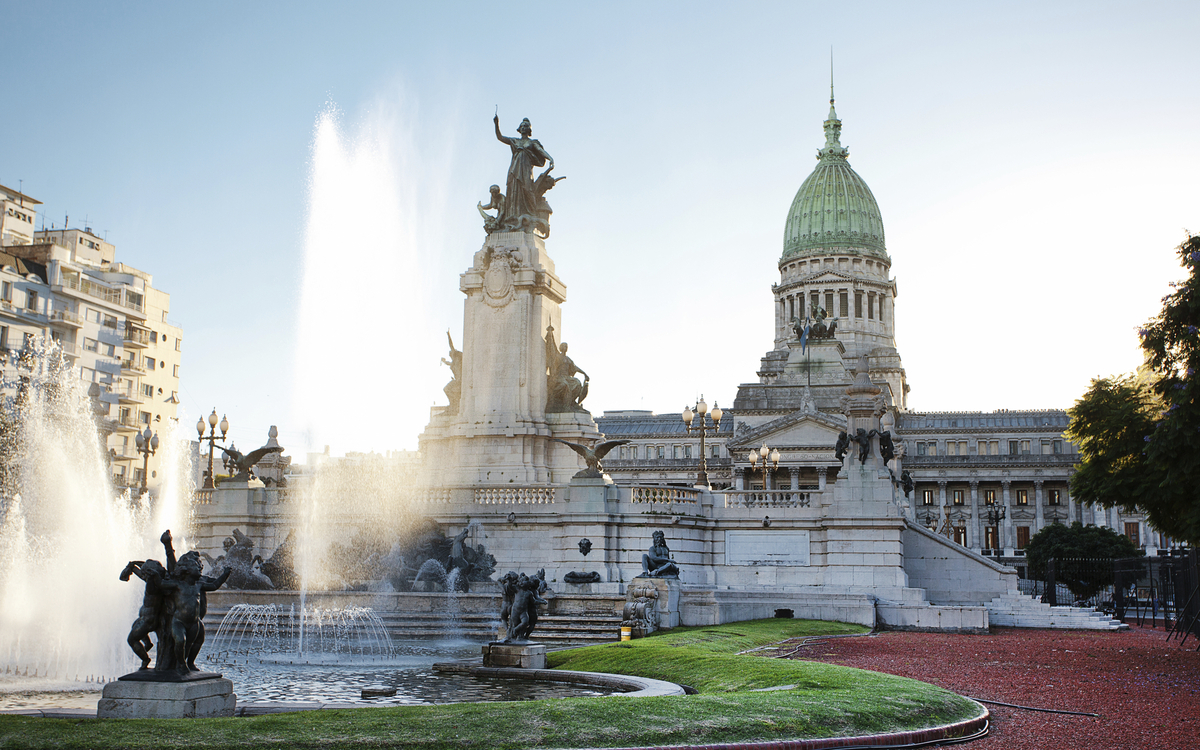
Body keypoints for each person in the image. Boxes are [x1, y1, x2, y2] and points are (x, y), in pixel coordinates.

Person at [494, 115, 553, 232]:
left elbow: (541, 151)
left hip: (526, 170)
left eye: (526, 126)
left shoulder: (532, 142)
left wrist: (550, 158)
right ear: (519, 128)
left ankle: (530, 216)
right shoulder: (515, 141)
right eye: (522, 126)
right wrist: (496, 124)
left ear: (529, 130)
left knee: (527, 190)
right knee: (513, 191)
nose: (524, 127)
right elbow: (500, 137)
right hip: (514, 170)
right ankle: (512, 218)